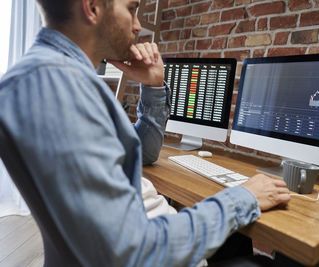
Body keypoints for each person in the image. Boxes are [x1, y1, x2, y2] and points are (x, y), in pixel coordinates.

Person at [0, 0, 291, 266]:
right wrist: (242, 198)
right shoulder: (58, 88)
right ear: (92, 8)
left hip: (150, 234)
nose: (138, 26)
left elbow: (142, 155)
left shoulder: (62, 79)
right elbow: (134, 249)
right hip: (155, 250)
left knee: (236, 240)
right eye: (132, 9)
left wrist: (152, 87)